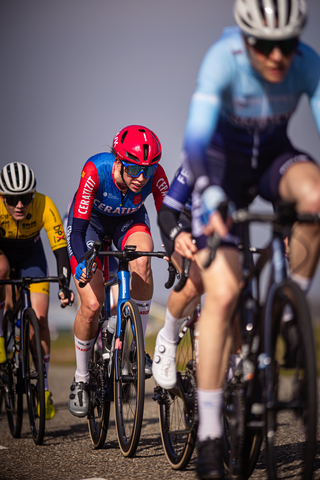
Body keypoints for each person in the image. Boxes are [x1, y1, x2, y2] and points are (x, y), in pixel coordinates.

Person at [174, 0, 320, 478]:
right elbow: (195, 142)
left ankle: (289, 311)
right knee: (225, 292)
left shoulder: (307, 64)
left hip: (274, 157)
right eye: (264, 45)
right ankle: (212, 436)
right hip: (219, 168)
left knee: (315, 198)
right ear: (245, 38)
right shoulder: (222, 60)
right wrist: (212, 194)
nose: (277, 58)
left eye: (287, 45)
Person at [66, 124, 169, 418]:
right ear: (119, 161)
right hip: (90, 228)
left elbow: (168, 216)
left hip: (129, 222)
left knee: (143, 261)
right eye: (135, 169)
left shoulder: (153, 175)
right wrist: (84, 263)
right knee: (92, 305)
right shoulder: (95, 170)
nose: (141, 178)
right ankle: (82, 379)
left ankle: (135, 345)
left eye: (148, 171)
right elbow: (78, 230)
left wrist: (175, 249)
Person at [0, 162, 74, 420]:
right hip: (3, 254)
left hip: (32, 257)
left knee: (39, 320)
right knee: (1, 269)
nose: (20, 205)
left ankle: (42, 389)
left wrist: (65, 285)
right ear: (2, 197)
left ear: (34, 196)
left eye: (26, 198)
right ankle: (1, 337)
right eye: (12, 199)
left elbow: (60, 249)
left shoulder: (44, 204)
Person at [152, 166, 204, 388]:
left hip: (218, 224)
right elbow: (166, 212)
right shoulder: (198, 160)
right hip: (183, 219)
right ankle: (168, 339)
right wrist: (176, 236)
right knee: (194, 279)